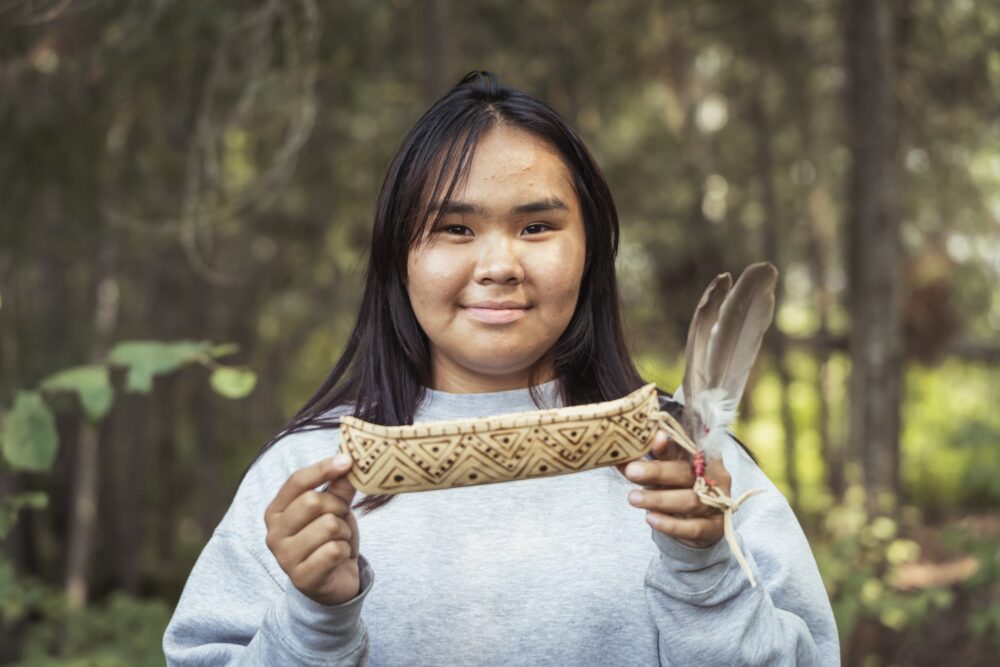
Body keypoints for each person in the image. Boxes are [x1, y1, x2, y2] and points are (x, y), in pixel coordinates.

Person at [163, 70, 840, 666]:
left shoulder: (689, 466)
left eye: (536, 227)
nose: (497, 266)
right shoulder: (306, 479)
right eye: (455, 228)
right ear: (399, 254)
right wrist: (315, 618)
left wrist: (706, 572)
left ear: (591, 251)